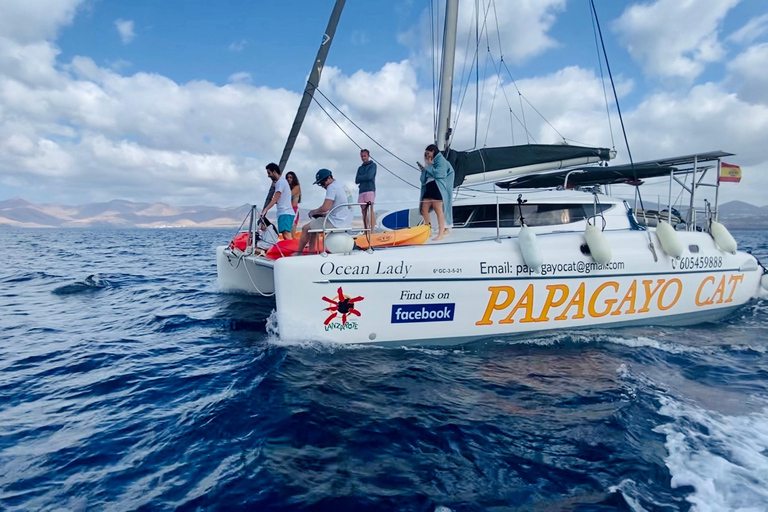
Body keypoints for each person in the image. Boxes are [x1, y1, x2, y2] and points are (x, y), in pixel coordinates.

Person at [295, 169, 352, 255]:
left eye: (322, 183)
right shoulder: (342, 185)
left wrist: (313, 212)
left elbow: (325, 208)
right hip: (346, 220)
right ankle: (311, 252)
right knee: (315, 224)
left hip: (337, 222)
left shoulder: (331, 187)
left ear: (329, 178)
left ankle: (298, 252)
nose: (322, 186)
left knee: (305, 228)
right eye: (319, 184)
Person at [418, 144, 455, 241]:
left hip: (437, 186)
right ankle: (428, 229)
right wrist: (424, 170)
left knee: (438, 209)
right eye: (425, 154)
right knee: (424, 209)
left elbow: (439, 174)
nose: (427, 156)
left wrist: (429, 166)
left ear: (433, 152)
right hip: (429, 187)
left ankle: (441, 233)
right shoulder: (428, 163)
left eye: (428, 153)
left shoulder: (441, 161)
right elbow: (423, 180)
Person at [261, 163, 294, 240]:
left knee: (286, 235)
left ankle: (294, 251)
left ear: (274, 172)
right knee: (285, 235)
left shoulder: (280, 183)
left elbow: (275, 199)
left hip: (285, 212)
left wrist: (265, 210)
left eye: (269, 173)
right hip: (284, 213)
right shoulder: (280, 183)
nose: (268, 176)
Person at [355, 149, 377, 232]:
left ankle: (372, 230)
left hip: (370, 189)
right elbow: (356, 180)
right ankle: (365, 230)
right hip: (362, 190)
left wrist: (362, 177)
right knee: (363, 210)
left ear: (368, 156)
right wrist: (364, 177)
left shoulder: (373, 165)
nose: (363, 158)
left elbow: (369, 176)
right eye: (362, 156)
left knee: (370, 209)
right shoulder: (360, 168)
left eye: (364, 156)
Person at [285, 171, 302, 238]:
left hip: (293, 210)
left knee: (292, 231)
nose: (289, 179)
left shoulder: (297, 187)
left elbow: (288, 195)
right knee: (287, 230)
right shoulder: (287, 189)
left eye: (290, 177)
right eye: (287, 178)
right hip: (287, 210)